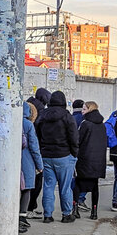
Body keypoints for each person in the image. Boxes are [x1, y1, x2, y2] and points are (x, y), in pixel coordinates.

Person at [36, 90, 79, 222]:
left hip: (46, 155)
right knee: (65, 186)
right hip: (64, 155)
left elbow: (37, 134)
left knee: (48, 185)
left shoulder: (42, 116)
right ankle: (66, 214)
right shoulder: (67, 116)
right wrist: (74, 153)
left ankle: (47, 215)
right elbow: (74, 137)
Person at [74, 102, 108, 220]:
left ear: (89, 109)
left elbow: (78, 141)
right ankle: (94, 212)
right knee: (94, 186)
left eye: (84, 109)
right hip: (98, 161)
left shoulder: (85, 124)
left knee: (78, 183)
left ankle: (75, 209)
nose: (82, 111)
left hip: (85, 159)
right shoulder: (102, 125)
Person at [25, 87, 52, 213]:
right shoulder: (41, 112)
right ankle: (29, 207)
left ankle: (27, 207)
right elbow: (36, 139)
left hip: (22, 152)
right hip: (36, 150)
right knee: (36, 180)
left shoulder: (26, 105)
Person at [19, 102, 43, 233]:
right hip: (26, 161)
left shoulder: (9, 120)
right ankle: (22, 216)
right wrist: (39, 165)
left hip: (11, 160)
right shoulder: (28, 125)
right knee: (26, 188)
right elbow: (34, 146)